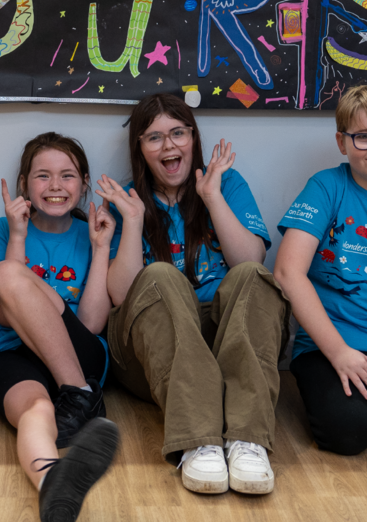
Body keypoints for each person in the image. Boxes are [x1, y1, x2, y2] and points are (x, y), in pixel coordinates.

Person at [97, 93, 289, 495]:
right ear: (140, 149)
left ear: (193, 139)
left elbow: (250, 258)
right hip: (149, 353)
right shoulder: (126, 199)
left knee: (254, 275)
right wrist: (132, 221)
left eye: (178, 133)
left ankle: (246, 438)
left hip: (221, 341)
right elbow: (119, 297)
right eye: (154, 138)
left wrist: (212, 197)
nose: (169, 146)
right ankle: (197, 439)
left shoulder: (226, 184)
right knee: (162, 275)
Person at [0, 132, 119, 522]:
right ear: (24, 184)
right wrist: (18, 234)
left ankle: (80, 392)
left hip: (77, 354)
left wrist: (102, 248)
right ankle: (52, 487)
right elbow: (5, 316)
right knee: (35, 412)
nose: (55, 186)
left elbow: (91, 323)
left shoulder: (97, 233)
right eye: (42, 176)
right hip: (12, 350)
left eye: (67, 175)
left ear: (84, 183)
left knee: (9, 272)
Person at [274, 84, 367, 456]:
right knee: (348, 432)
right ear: (342, 142)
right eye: (364, 136)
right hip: (333, 343)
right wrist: (338, 352)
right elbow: (287, 272)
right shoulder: (326, 186)